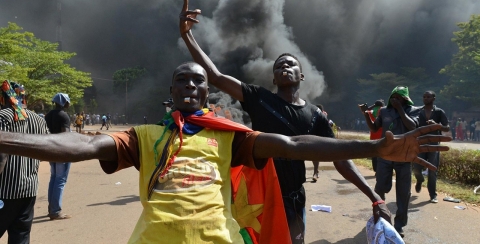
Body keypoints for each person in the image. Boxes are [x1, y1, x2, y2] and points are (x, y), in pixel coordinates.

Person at [0, 64, 450, 243]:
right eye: (183, 80)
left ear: (206, 93)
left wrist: (374, 146)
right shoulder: (142, 137)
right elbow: (80, 145)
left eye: (200, 81)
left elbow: (293, 146)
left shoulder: (229, 138)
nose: (192, 86)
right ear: (172, 91)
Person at [180, 0, 397, 243]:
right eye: (279, 65)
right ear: (273, 78)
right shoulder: (258, 98)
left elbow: (340, 158)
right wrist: (187, 35)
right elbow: (215, 76)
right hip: (258, 197)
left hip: (293, 200)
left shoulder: (315, 115)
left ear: (301, 76)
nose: (284, 66)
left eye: (291, 64)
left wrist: (374, 197)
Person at [364, 86, 419, 237]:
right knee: (380, 188)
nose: (395, 99)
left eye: (399, 97)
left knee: (403, 193)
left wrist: (400, 109)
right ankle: (382, 220)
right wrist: (366, 115)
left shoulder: (413, 110)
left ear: (405, 99)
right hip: (385, 155)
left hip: (404, 156)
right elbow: (375, 128)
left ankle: (399, 225)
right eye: (393, 96)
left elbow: (412, 126)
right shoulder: (384, 111)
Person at [0, 80, 50, 243]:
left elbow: (1, 156)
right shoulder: (39, 120)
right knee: (20, 237)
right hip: (28, 190)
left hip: (4, 191)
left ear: (4, 97)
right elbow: (46, 150)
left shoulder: (3, 117)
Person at [412, 91, 449, 203]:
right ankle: (419, 179)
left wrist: (437, 125)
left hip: (434, 143)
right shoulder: (418, 111)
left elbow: (446, 128)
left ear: (434, 98)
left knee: (432, 169)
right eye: (424, 97)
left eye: (428, 97)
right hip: (420, 142)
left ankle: (432, 195)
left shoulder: (439, 112)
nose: (426, 98)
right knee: (416, 168)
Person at [45, 93, 73, 220]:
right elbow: (65, 136)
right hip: (61, 151)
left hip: (51, 150)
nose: (69, 103)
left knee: (54, 178)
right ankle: (55, 211)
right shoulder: (63, 116)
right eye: (67, 101)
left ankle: (51, 208)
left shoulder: (49, 115)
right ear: (63, 102)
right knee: (60, 180)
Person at [359, 100, 385, 172]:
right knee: (381, 155)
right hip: (382, 136)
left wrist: (373, 105)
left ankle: (375, 169)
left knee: (374, 154)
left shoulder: (371, 112)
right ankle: (380, 170)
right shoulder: (383, 111)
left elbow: (365, 111)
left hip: (373, 136)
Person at [311, 104, 328, 182]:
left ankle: (315, 173)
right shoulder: (312, 114)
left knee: (316, 156)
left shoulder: (323, 115)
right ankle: (316, 171)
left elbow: (327, 125)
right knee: (313, 156)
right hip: (313, 137)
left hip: (320, 138)